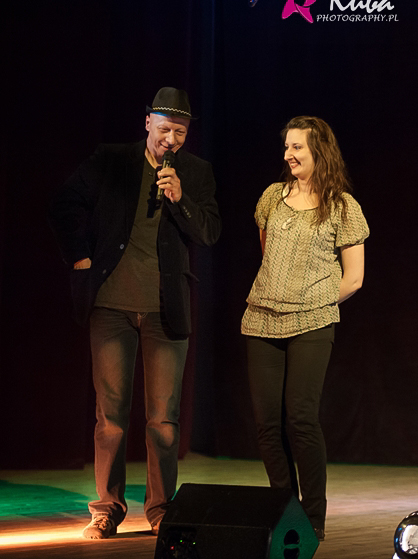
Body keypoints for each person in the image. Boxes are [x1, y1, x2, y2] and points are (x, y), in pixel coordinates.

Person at [49, 87, 221, 539]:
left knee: (164, 419)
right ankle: (107, 508)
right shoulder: (112, 160)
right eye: (164, 129)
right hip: (111, 306)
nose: (170, 140)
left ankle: (161, 509)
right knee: (111, 416)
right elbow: (64, 202)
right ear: (148, 122)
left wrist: (181, 199)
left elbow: (208, 232)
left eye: (179, 132)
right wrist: (80, 256)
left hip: (166, 309)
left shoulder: (196, 172)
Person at [241, 116, 369, 541]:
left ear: (319, 152)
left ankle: (313, 517)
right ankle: (286, 511)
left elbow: (354, 278)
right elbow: (268, 258)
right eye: (287, 147)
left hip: (312, 322)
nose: (289, 154)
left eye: (297, 147)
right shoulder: (272, 198)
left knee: (300, 418)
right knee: (267, 424)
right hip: (262, 318)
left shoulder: (343, 207)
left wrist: (312, 302)